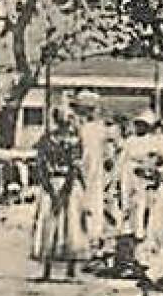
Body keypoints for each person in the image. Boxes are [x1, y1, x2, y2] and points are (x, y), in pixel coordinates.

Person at [119, 110, 163, 279]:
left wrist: (157, 170)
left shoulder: (158, 142)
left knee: (152, 224)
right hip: (132, 185)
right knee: (133, 223)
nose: (140, 127)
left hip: (150, 186)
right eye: (138, 124)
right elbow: (121, 165)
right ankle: (133, 262)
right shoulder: (129, 142)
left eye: (144, 125)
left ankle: (151, 264)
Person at [30, 107, 88, 281]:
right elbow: (40, 166)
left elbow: (74, 168)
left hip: (69, 185)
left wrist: (63, 192)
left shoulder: (75, 140)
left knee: (71, 225)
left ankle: (71, 268)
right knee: (49, 223)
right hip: (51, 183)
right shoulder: (47, 140)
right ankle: (47, 268)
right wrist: (50, 189)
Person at [70, 91, 109, 254]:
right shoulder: (78, 127)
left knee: (93, 205)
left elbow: (103, 152)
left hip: (94, 170)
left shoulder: (99, 128)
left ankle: (94, 242)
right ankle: (80, 242)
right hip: (81, 170)